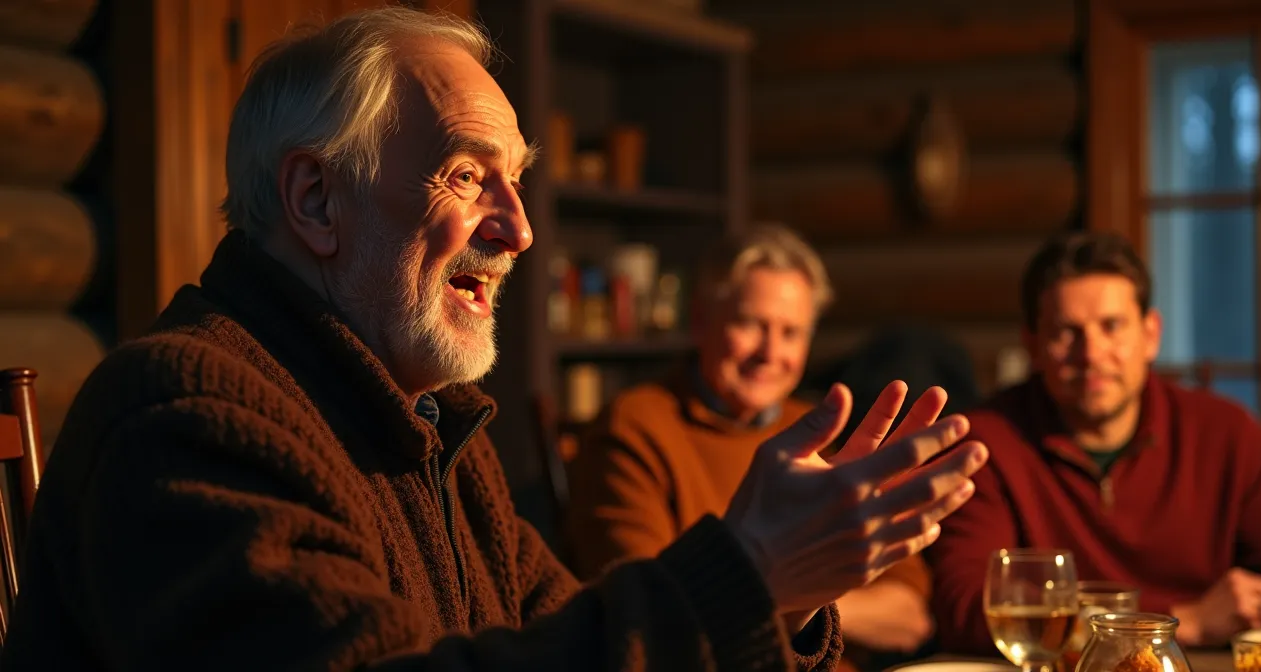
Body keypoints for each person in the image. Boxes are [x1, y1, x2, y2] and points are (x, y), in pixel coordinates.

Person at [0, 8, 991, 671]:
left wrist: (784, 593)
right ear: (316, 199)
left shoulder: (425, 427)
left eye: (518, 181)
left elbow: (571, 637)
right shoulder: (184, 414)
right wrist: (748, 570)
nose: (519, 230)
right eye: (472, 177)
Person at [566, 225, 938, 667]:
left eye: (791, 333)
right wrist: (805, 598)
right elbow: (654, 616)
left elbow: (909, 616)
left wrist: (790, 602)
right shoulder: (636, 427)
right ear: (701, 320)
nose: (770, 352)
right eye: (750, 324)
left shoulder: (811, 424)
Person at [924, 230, 1261, 654]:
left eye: (1112, 326)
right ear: (1033, 346)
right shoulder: (987, 443)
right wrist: (1184, 620)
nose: (1091, 353)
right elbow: (964, 608)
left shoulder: (1227, 434)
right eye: (1066, 332)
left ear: (1151, 334)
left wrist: (1248, 608)